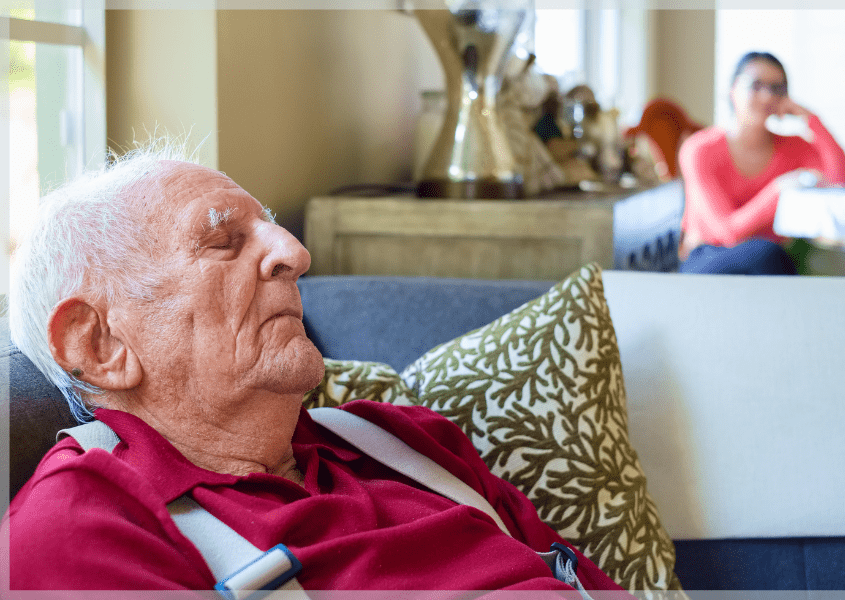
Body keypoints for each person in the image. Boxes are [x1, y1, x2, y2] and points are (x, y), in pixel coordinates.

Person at [2, 142, 632, 596]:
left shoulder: (404, 441)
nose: (295, 254)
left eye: (274, 230)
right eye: (223, 242)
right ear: (99, 344)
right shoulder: (80, 529)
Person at [678, 51, 845, 275]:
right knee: (768, 255)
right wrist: (779, 189)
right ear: (732, 90)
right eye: (756, 85)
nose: (767, 97)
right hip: (707, 257)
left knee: (771, 257)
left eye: (777, 89)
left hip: (766, 262)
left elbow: (844, 181)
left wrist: (811, 119)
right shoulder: (699, 149)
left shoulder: (793, 148)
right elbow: (727, 233)